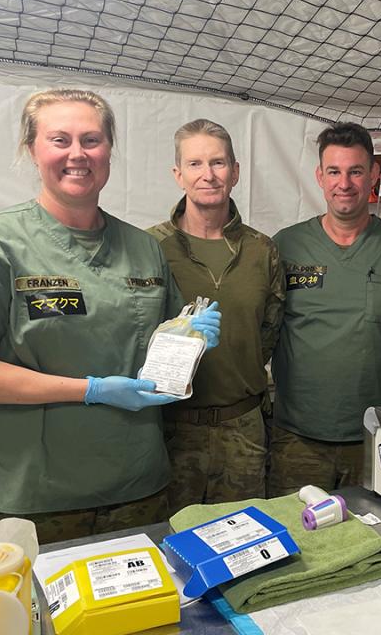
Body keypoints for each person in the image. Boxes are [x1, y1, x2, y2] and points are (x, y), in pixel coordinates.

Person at [0, 89, 220, 544]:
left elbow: (154, 353)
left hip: (136, 487)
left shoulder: (142, 249)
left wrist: (187, 339)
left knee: (142, 614)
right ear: (32, 149)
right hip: (34, 496)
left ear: (108, 151)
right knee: (32, 616)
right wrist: (92, 391)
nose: (77, 154)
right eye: (59, 140)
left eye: (91, 140)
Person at [269, 122, 381, 496]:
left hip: (377, 438)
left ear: (373, 174)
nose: (345, 183)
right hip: (297, 440)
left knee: (378, 538)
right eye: (335, 172)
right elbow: (262, 328)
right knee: (298, 539)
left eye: (356, 171)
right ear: (319, 177)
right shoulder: (285, 246)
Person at [148, 119, 284, 507]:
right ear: (178, 174)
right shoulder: (149, 248)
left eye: (218, 163)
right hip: (172, 431)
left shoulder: (263, 250)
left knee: (243, 544)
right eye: (195, 164)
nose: (207, 175)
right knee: (171, 546)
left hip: (243, 430)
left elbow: (269, 334)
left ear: (235, 172)